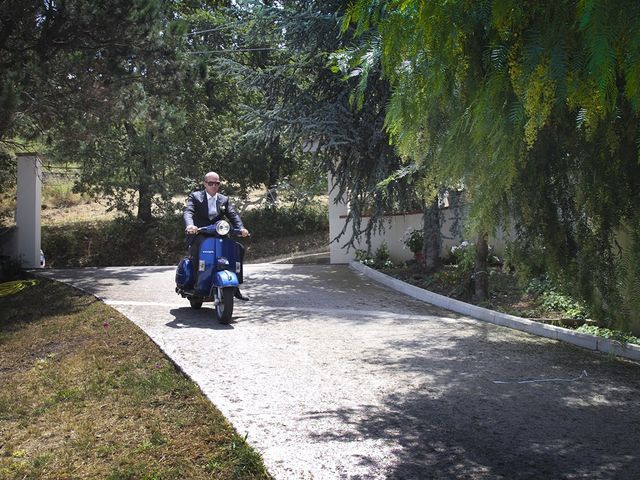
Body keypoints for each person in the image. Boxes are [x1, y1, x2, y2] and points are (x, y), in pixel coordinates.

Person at [183, 171, 250, 300]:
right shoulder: (196, 197)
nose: (214, 186)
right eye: (211, 183)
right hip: (200, 233)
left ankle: (236, 286)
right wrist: (190, 225)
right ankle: (198, 283)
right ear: (205, 184)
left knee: (238, 248)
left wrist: (241, 228)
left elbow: (233, 215)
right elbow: (188, 212)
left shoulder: (223, 199)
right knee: (199, 249)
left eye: (217, 183)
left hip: (219, 233)